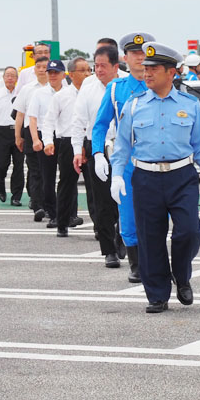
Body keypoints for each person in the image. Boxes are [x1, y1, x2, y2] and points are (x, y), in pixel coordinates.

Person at [111, 42, 200, 313]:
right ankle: (157, 294)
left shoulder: (190, 104)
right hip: (145, 177)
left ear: (172, 73)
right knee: (150, 237)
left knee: (189, 231)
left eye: (153, 69)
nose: (147, 74)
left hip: (181, 176)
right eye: (145, 69)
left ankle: (182, 276)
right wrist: (117, 175)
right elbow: (122, 145)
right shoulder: (134, 106)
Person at [91, 32, 156, 283]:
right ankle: (136, 264)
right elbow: (99, 125)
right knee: (128, 216)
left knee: (158, 216)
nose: (139, 58)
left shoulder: (160, 84)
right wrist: (97, 153)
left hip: (157, 160)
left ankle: (158, 261)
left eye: (143, 53)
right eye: (134, 53)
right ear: (125, 58)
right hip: (127, 161)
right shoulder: (116, 88)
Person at [72, 44, 122, 267]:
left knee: (123, 199)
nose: (98, 70)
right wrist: (77, 151)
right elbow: (79, 122)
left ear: (115, 66)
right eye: (96, 66)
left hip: (123, 148)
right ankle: (108, 249)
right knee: (101, 200)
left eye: (103, 66)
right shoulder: (88, 88)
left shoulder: (127, 84)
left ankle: (124, 238)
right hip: (97, 149)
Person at [43, 57, 89, 236]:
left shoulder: (93, 93)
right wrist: (48, 141)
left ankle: (100, 228)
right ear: (71, 74)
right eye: (83, 70)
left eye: (88, 70)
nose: (87, 74)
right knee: (66, 184)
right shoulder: (61, 96)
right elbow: (48, 121)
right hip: (68, 142)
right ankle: (62, 223)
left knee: (94, 187)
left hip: (90, 141)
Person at [29, 60, 67, 226]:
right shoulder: (39, 94)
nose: (52, 76)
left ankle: (69, 213)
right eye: (50, 73)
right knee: (47, 177)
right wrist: (36, 140)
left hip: (66, 137)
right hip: (46, 137)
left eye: (56, 73)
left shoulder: (70, 93)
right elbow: (33, 117)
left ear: (63, 75)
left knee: (67, 178)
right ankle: (53, 213)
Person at [14, 56, 50, 220]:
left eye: (45, 67)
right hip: (31, 132)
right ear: (34, 70)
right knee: (34, 170)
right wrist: (18, 136)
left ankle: (49, 204)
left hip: (51, 132)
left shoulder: (58, 87)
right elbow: (20, 114)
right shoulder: (27, 89)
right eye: (39, 67)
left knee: (48, 172)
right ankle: (38, 205)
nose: (42, 70)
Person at [0, 66, 23, 204]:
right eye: (7, 75)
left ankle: (16, 196)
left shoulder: (21, 94)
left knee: (19, 166)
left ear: (17, 79)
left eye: (13, 75)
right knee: (1, 165)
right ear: (3, 78)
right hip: (1, 132)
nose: (10, 78)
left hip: (18, 132)